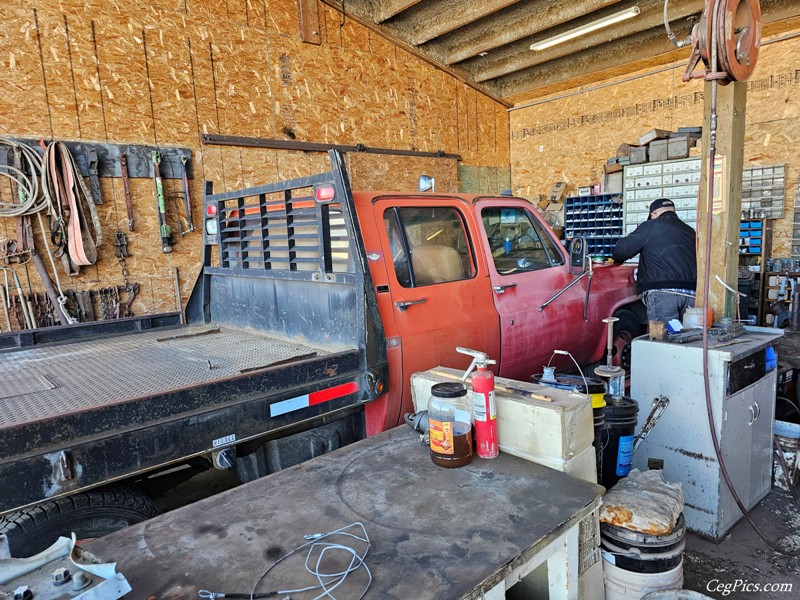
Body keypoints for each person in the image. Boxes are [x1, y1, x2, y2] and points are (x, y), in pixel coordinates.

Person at [613, 198, 697, 323]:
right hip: (691, 295)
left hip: (663, 293)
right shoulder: (690, 231)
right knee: (686, 338)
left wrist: (616, 259)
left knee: (662, 339)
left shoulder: (650, 226)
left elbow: (622, 251)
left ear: (654, 214)